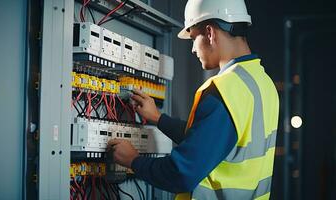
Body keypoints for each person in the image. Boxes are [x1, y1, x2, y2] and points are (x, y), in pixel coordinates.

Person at [107, 0, 279, 199]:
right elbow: (214, 141)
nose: (193, 49)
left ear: (210, 33)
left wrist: (133, 161)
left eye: (193, 38)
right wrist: (159, 119)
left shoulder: (224, 91)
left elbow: (180, 174)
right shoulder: (262, 83)